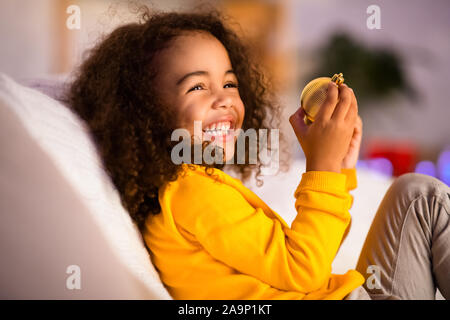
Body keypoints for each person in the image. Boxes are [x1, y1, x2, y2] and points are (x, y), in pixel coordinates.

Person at [67, 7, 450, 300]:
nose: (225, 98)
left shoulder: (191, 189)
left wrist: (337, 167)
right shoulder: (191, 195)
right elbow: (305, 271)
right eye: (197, 87)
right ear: (145, 114)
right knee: (423, 199)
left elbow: (307, 253)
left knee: (414, 195)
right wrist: (321, 169)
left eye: (229, 82)